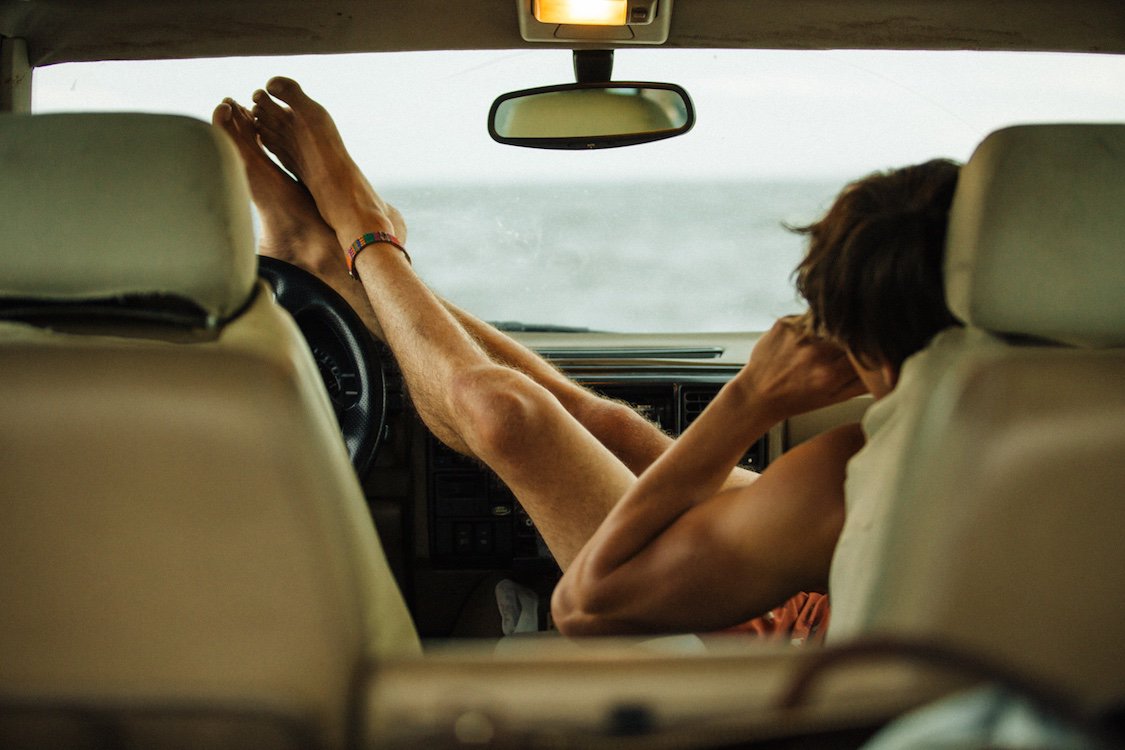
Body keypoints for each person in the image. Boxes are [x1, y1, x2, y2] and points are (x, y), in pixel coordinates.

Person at [211, 77, 959, 640]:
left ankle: (364, 239)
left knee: (508, 417)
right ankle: (346, 262)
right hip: (815, 596)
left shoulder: (848, 478)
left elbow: (587, 606)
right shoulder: (986, 424)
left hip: (779, 649)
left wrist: (749, 399)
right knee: (611, 425)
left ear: (860, 336)